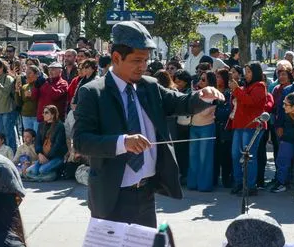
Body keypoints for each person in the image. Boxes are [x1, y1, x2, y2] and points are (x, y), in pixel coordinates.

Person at [72, 21, 223, 227]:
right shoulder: (93, 92)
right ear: (116, 58)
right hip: (112, 196)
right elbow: (81, 141)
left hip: (146, 194)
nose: (143, 66)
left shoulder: (149, 86)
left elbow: (180, 102)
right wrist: (122, 142)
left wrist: (202, 96)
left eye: (146, 60)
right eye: (137, 60)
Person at [228, 62, 269, 195]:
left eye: (249, 71)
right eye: (246, 71)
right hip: (240, 125)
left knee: (248, 157)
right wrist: (236, 90)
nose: (246, 74)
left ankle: (250, 186)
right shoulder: (245, 86)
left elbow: (250, 102)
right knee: (236, 155)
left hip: (252, 125)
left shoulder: (260, 86)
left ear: (256, 73)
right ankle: (239, 182)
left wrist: (237, 90)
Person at [186, 70, 218, 192]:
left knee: (204, 157)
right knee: (193, 155)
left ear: (210, 82)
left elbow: (204, 113)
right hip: (194, 126)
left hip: (206, 127)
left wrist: (196, 98)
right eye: (200, 78)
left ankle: (204, 185)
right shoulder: (196, 93)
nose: (200, 81)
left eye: (203, 79)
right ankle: (192, 183)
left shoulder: (214, 95)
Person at [24, 103, 67, 181]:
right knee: (33, 171)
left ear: (53, 115)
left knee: (42, 170)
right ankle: (42, 177)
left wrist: (47, 157)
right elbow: (37, 142)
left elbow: (57, 145)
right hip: (43, 156)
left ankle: (52, 174)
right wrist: (40, 154)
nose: (43, 114)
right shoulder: (41, 125)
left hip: (57, 156)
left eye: (46, 112)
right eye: (43, 112)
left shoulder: (60, 126)